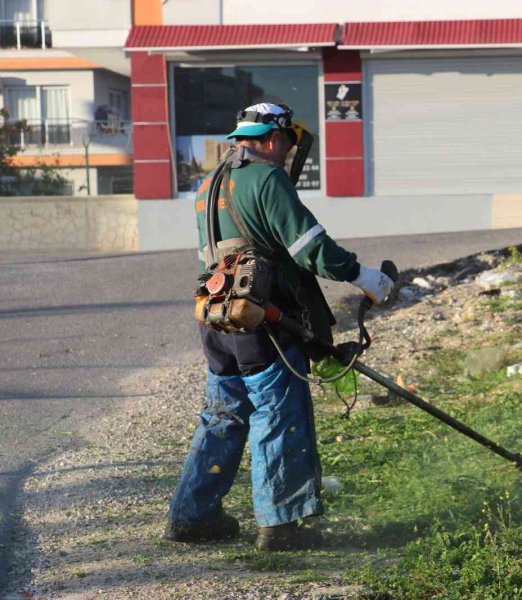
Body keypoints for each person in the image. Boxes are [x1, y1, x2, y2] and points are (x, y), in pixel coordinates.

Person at [165, 102, 393, 551]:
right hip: (263, 321)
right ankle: (281, 526)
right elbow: (312, 248)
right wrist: (366, 277)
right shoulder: (266, 178)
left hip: (218, 319)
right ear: (272, 138)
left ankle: (192, 515)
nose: (288, 153)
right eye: (287, 144)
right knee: (279, 413)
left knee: (223, 416)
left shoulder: (210, 182)